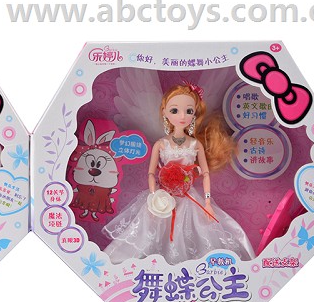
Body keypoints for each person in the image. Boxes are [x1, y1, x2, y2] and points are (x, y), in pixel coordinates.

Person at [103, 82, 255, 265]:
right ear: (164, 112)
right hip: (162, 198)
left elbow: (205, 174)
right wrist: (154, 197)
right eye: (175, 111)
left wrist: (207, 202)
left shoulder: (195, 145)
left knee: (195, 235)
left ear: (195, 114)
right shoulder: (161, 144)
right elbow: (151, 174)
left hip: (188, 198)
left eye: (189, 111)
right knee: (147, 236)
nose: (182, 116)